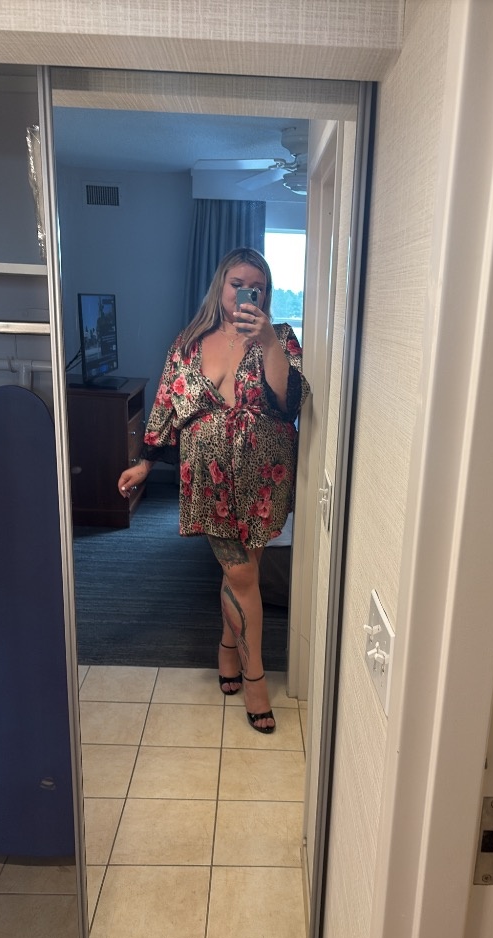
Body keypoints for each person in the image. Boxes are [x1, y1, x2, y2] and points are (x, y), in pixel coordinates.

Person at [117, 248, 310, 734]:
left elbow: (288, 402)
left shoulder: (280, 337)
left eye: (257, 287)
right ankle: (255, 677)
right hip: (211, 479)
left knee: (245, 573)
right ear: (220, 285)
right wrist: (145, 461)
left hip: (265, 476)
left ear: (265, 293)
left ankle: (227, 649)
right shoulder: (188, 343)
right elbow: (166, 402)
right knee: (241, 574)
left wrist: (268, 341)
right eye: (237, 283)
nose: (247, 292)